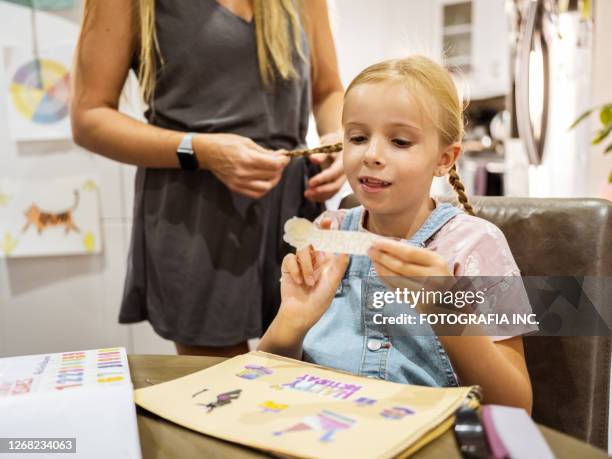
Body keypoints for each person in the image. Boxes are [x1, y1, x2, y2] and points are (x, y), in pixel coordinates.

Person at [70, 0, 345, 357]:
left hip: (293, 210)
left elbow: (327, 91)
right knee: (222, 394)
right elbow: (89, 117)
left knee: (304, 377)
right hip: (196, 216)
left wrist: (340, 137)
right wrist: (199, 150)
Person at [258, 56, 533, 412]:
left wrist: (448, 313)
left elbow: (515, 407)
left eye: (400, 141)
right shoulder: (327, 237)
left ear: (445, 159)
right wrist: (291, 321)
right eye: (357, 137)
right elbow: (261, 377)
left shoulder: (478, 246)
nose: (371, 154)